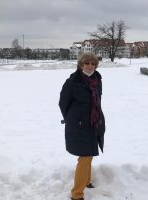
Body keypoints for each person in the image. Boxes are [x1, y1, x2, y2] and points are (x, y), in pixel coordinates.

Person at [59, 53, 105, 200]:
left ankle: (86, 181)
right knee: (85, 157)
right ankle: (77, 194)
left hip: (94, 122)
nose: (90, 66)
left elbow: (98, 100)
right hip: (79, 124)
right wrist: (74, 118)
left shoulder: (97, 79)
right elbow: (63, 103)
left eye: (93, 63)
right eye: (87, 63)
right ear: (81, 65)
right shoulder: (73, 82)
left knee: (89, 154)